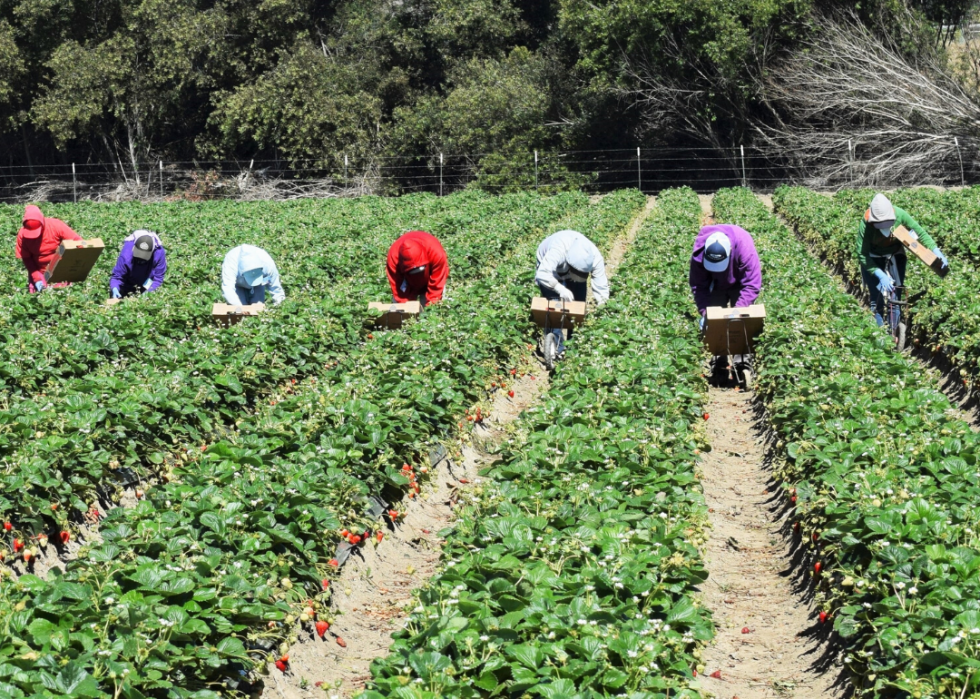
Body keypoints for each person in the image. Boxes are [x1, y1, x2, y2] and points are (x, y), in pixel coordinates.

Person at [858, 193, 948, 327]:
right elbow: (862, 254)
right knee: (876, 299)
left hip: (895, 254)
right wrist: (880, 274)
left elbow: (921, 233)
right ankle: (878, 332)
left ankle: (893, 334)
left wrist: (936, 251)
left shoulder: (900, 214)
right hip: (872, 257)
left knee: (895, 298)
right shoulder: (866, 224)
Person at [535, 229, 609, 359]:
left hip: (567, 267)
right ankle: (557, 349)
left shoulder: (594, 257)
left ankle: (574, 345)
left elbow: (601, 286)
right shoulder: (558, 251)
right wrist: (559, 288)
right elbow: (542, 274)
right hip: (549, 270)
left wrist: (603, 307)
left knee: (578, 307)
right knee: (554, 308)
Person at [689, 224, 762, 322]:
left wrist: (738, 312)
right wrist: (705, 312)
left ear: (730, 251)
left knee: (739, 321)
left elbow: (751, 284)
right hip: (715, 283)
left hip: (738, 281)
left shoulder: (745, 250)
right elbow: (698, 286)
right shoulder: (699, 253)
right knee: (715, 319)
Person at [15, 205, 82, 293]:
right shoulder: (22, 235)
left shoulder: (55, 225)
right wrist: (36, 278)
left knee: (61, 296)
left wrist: (75, 265)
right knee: (38, 299)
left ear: (43, 224)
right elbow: (27, 259)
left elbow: (77, 241)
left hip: (59, 268)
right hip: (37, 269)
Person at [386, 231, 448, 306]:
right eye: (413, 271)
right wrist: (405, 308)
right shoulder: (394, 259)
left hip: (429, 276)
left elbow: (437, 285)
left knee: (434, 305)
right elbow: (399, 290)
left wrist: (432, 306)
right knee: (400, 309)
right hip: (407, 280)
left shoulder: (436, 253)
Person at [109, 230, 167, 298]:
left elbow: (158, 279)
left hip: (147, 282)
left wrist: (147, 293)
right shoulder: (126, 255)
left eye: (143, 259)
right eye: (138, 258)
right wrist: (115, 288)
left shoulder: (158, 253)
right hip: (128, 282)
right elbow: (117, 276)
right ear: (134, 249)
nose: (140, 261)